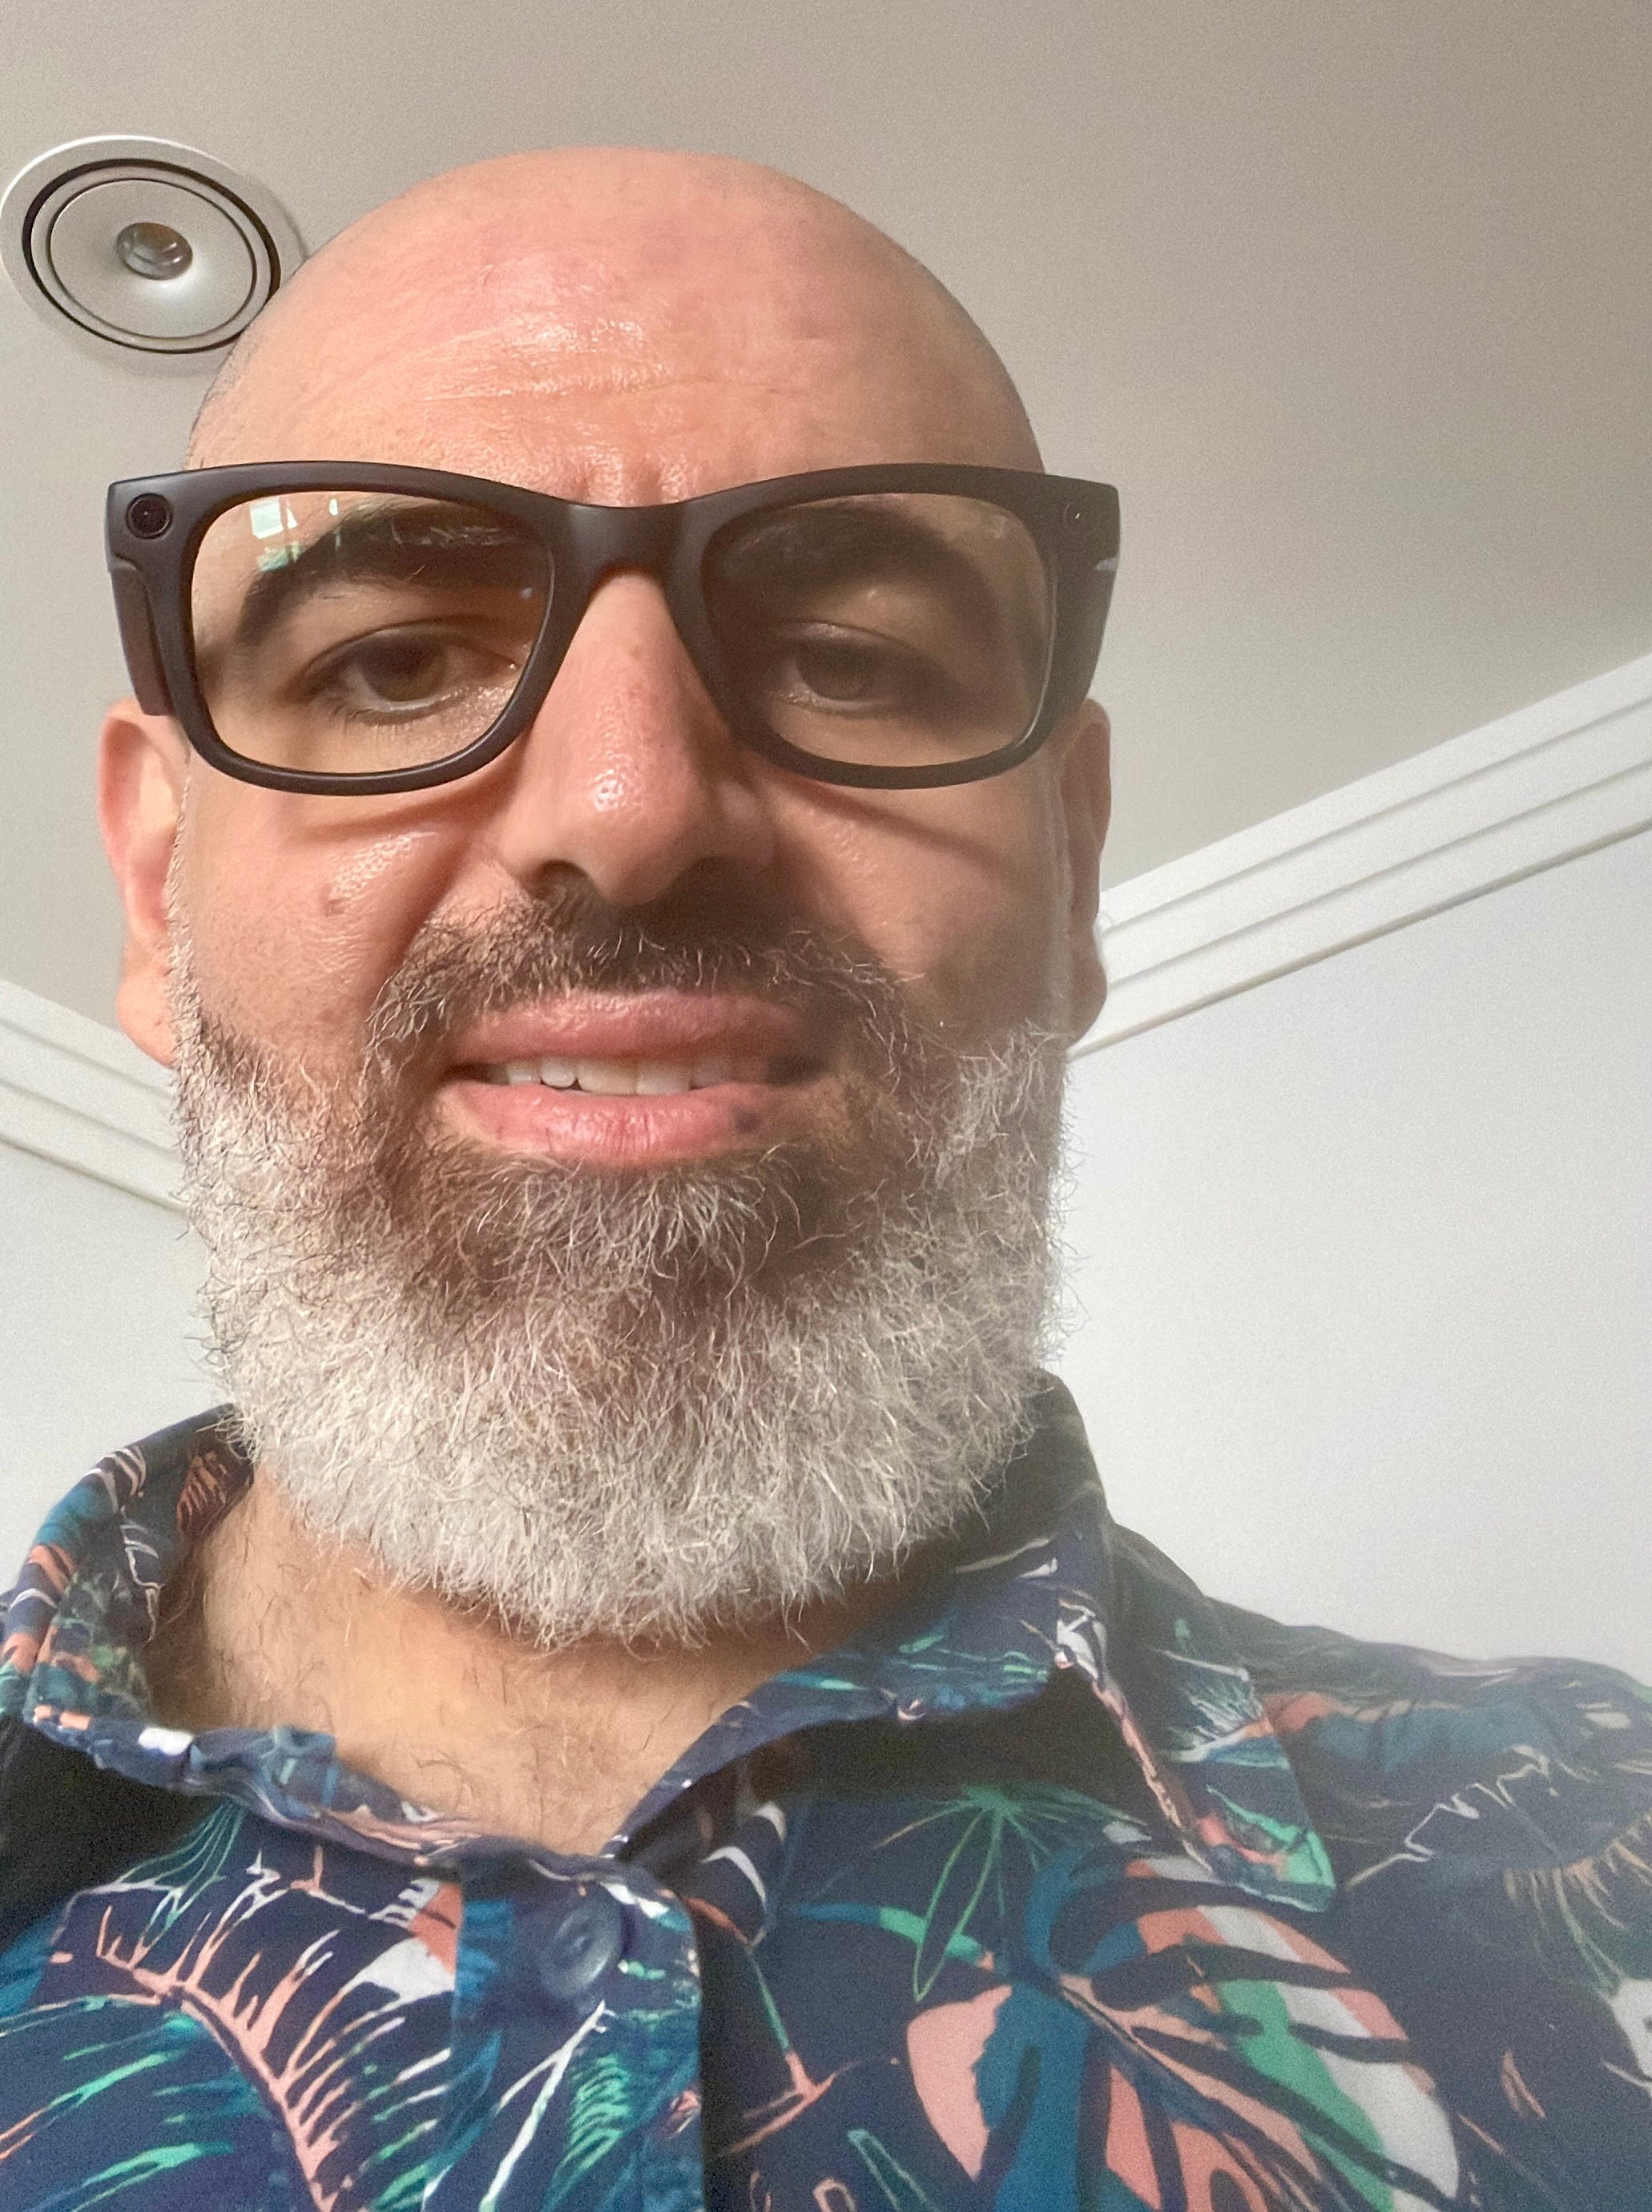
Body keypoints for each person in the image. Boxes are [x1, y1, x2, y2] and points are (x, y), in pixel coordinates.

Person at [0, 147, 1646, 2211]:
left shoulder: (1603, 1855)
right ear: (159, 893)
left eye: (850, 658)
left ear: (1074, 877)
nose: (631, 807)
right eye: (396, 663)